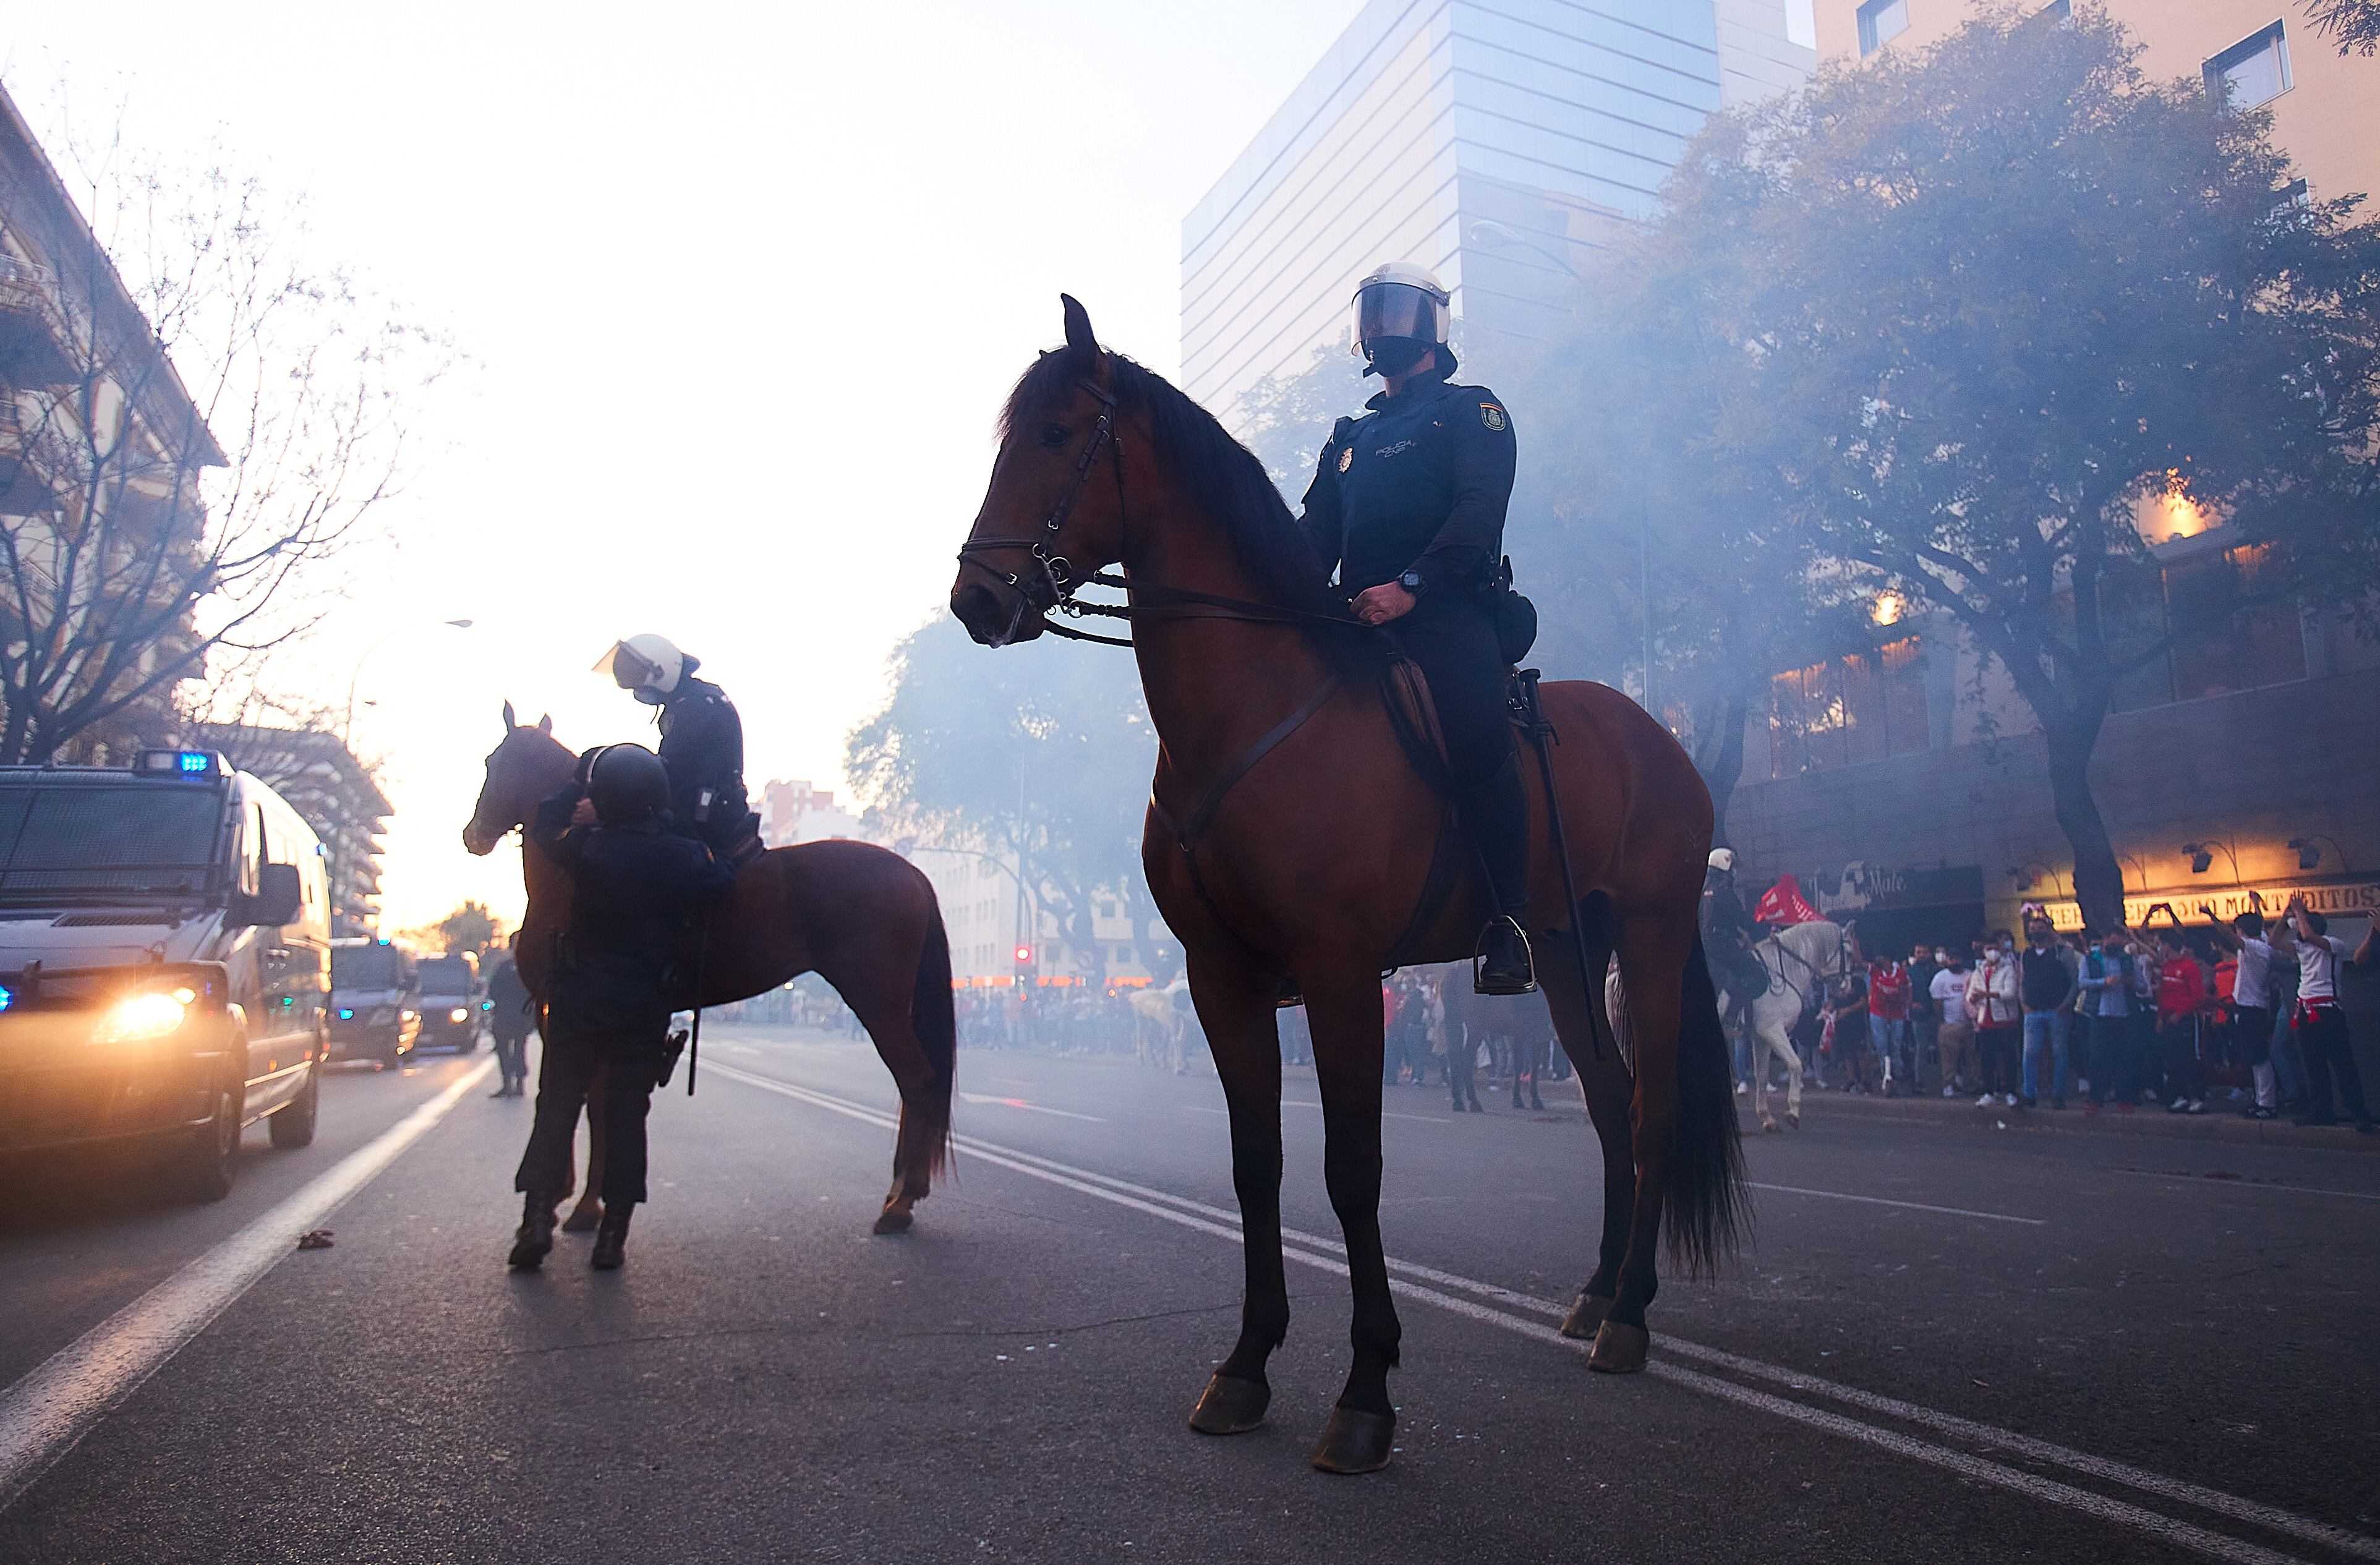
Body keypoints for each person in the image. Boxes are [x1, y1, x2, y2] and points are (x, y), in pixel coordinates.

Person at [1298, 263, 1532, 994]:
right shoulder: (1350, 436)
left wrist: (1409, 588)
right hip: (1354, 621)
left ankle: (1507, 923)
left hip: (1445, 611)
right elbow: (1314, 538)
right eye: (1370, 313)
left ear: (1432, 326)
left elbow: (1478, 514)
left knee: (1475, 729)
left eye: (1395, 312)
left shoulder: (1472, 411)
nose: (1380, 328)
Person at [507, 744, 738, 1272]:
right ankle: (613, 1237)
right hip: (641, 1008)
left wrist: (575, 786)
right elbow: (723, 872)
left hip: (577, 1001)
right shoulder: (680, 856)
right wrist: (680, 831)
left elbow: (543, 825)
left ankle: (536, 1220)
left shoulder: (585, 844)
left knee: (556, 1108)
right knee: (628, 1119)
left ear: (602, 799)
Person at [592, 633, 759, 863]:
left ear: (662, 671)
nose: (638, 686)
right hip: (700, 805)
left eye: (639, 676)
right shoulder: (690, 699)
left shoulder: (696, 706)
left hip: (705, 815)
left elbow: (667, 770)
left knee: (628, 851)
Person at [2269, 894, 2376, 1131]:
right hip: (2306, 1010)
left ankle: (2359, 1112)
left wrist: (2300, 913)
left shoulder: (2333, 944)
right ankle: (2322, 1111)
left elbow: (2308, 935)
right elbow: (2273, 942)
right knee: (2313, 1064)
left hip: (2328, 1010)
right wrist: (2285, 914)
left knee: (2342, 1063)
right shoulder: (2301, 948)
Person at [2205, 907, 2280, 1120]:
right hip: (2254, 1006)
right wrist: (2257, 906)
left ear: (2240, 930)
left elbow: (2234, 939)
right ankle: (2261, 1100)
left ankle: (2266, 1103)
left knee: (2259, 1058)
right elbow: (2261, 927)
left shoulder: (2254, 947)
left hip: (2251, 1007)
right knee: (2256, 1057)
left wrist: (2213, 916)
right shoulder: (2264, 944)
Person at [2078, 927, 2145, 1114]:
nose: (2114, 947)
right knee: (2098, 1059)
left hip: (2124, 1015)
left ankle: (2124, 1097)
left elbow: (2142, 987)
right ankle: (2096, 1098)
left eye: (2118, 944)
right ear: (2104, 940)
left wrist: (2133, 983)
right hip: (2099, 1016)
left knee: (2125, 1059)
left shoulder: (2128, 960)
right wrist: (2103, 982)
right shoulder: (2090, 959)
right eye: (2112, 943)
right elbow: (2082, 983)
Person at [2018, 910, 2076, 1109]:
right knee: (2029, 1054)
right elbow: (2022, 981)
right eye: (2032, 929)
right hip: (2033, 1011)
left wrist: (2065, 1005)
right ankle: (2029, 1093)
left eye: (2040, 928)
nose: (2036, 932)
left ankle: (2059, 1094)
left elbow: (2074, 982)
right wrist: (2024, 1004)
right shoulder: (2026, 955)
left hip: (2057, 1011)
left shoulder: (2062, 953)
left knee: (2059, 1053)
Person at [2152, 929, 2211, 1115]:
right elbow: (2163, 995)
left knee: (2190, 1059)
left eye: (2161, 943)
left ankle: (2197, 1098)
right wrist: (2161, 1018)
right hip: (2169, 1019)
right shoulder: (2167, 967)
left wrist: (2180, 1013)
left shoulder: (2189, 968)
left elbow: (2198, 997)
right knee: (2173, 1058)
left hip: (2186, 1019)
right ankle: (2181, 1096)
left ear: (2168, 945)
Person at [1966, 931, 2021, 1107]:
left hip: (2005, 1020)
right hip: (1986, 1020)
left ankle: (2011, 1092)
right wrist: (1975, 998)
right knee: (1987, 1057)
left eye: (1995, 949)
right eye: (1989, 949)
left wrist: (1987, 994)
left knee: (2009, 1057)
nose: (1992, 952)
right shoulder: (1979, 972)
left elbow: (2010, 993)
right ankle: (1989, 1092)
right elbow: (1970, 995)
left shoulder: (2008, 968)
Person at [485, 943, 535, 1099]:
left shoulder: (523, 967)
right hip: (509, 1015)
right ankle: (509, 1084)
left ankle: (516, 1084)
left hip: (517, 1015)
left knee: (517, 1049)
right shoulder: (514, 967)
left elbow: (493, 991)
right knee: (506, 1049)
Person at [1867, 952, 1913, 1097]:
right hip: (1878, 1013)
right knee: (1882, 1044)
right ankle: (1885, 1073)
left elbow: (1908, 988)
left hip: (1896, 1014)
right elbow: (1860, 962)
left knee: (1896, 1044)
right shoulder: (1875, 971)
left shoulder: (1900, 973)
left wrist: (1908, 1006)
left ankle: (1897, 1073)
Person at [1929, 948, 1973, 1098]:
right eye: (1952, 958)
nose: (1955, 962)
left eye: (1958, 959)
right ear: (1947, 960)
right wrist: (1942, 1022)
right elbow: (1937, 1002)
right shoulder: (1940, 978)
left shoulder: (1970, 975)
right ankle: (1949, 1085)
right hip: (1949, 1024)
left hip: (1970, 1024)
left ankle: (1969, 1085)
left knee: (1971, 1058)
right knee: (1949, 1059)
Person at [1908, 943, 1942, 1095]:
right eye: (1918, 952)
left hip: (1937, 1015)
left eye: (1924, 952)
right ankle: (1919, 1081)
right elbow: (1904, 991)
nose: (1921, 955)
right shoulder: (1910, 972)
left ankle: (1944, 1082)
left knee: (1941, 1048)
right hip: (1919, 1016)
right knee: (1921, 1049)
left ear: (1930, 953)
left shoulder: (1938, 971)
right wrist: (1911, 1004)